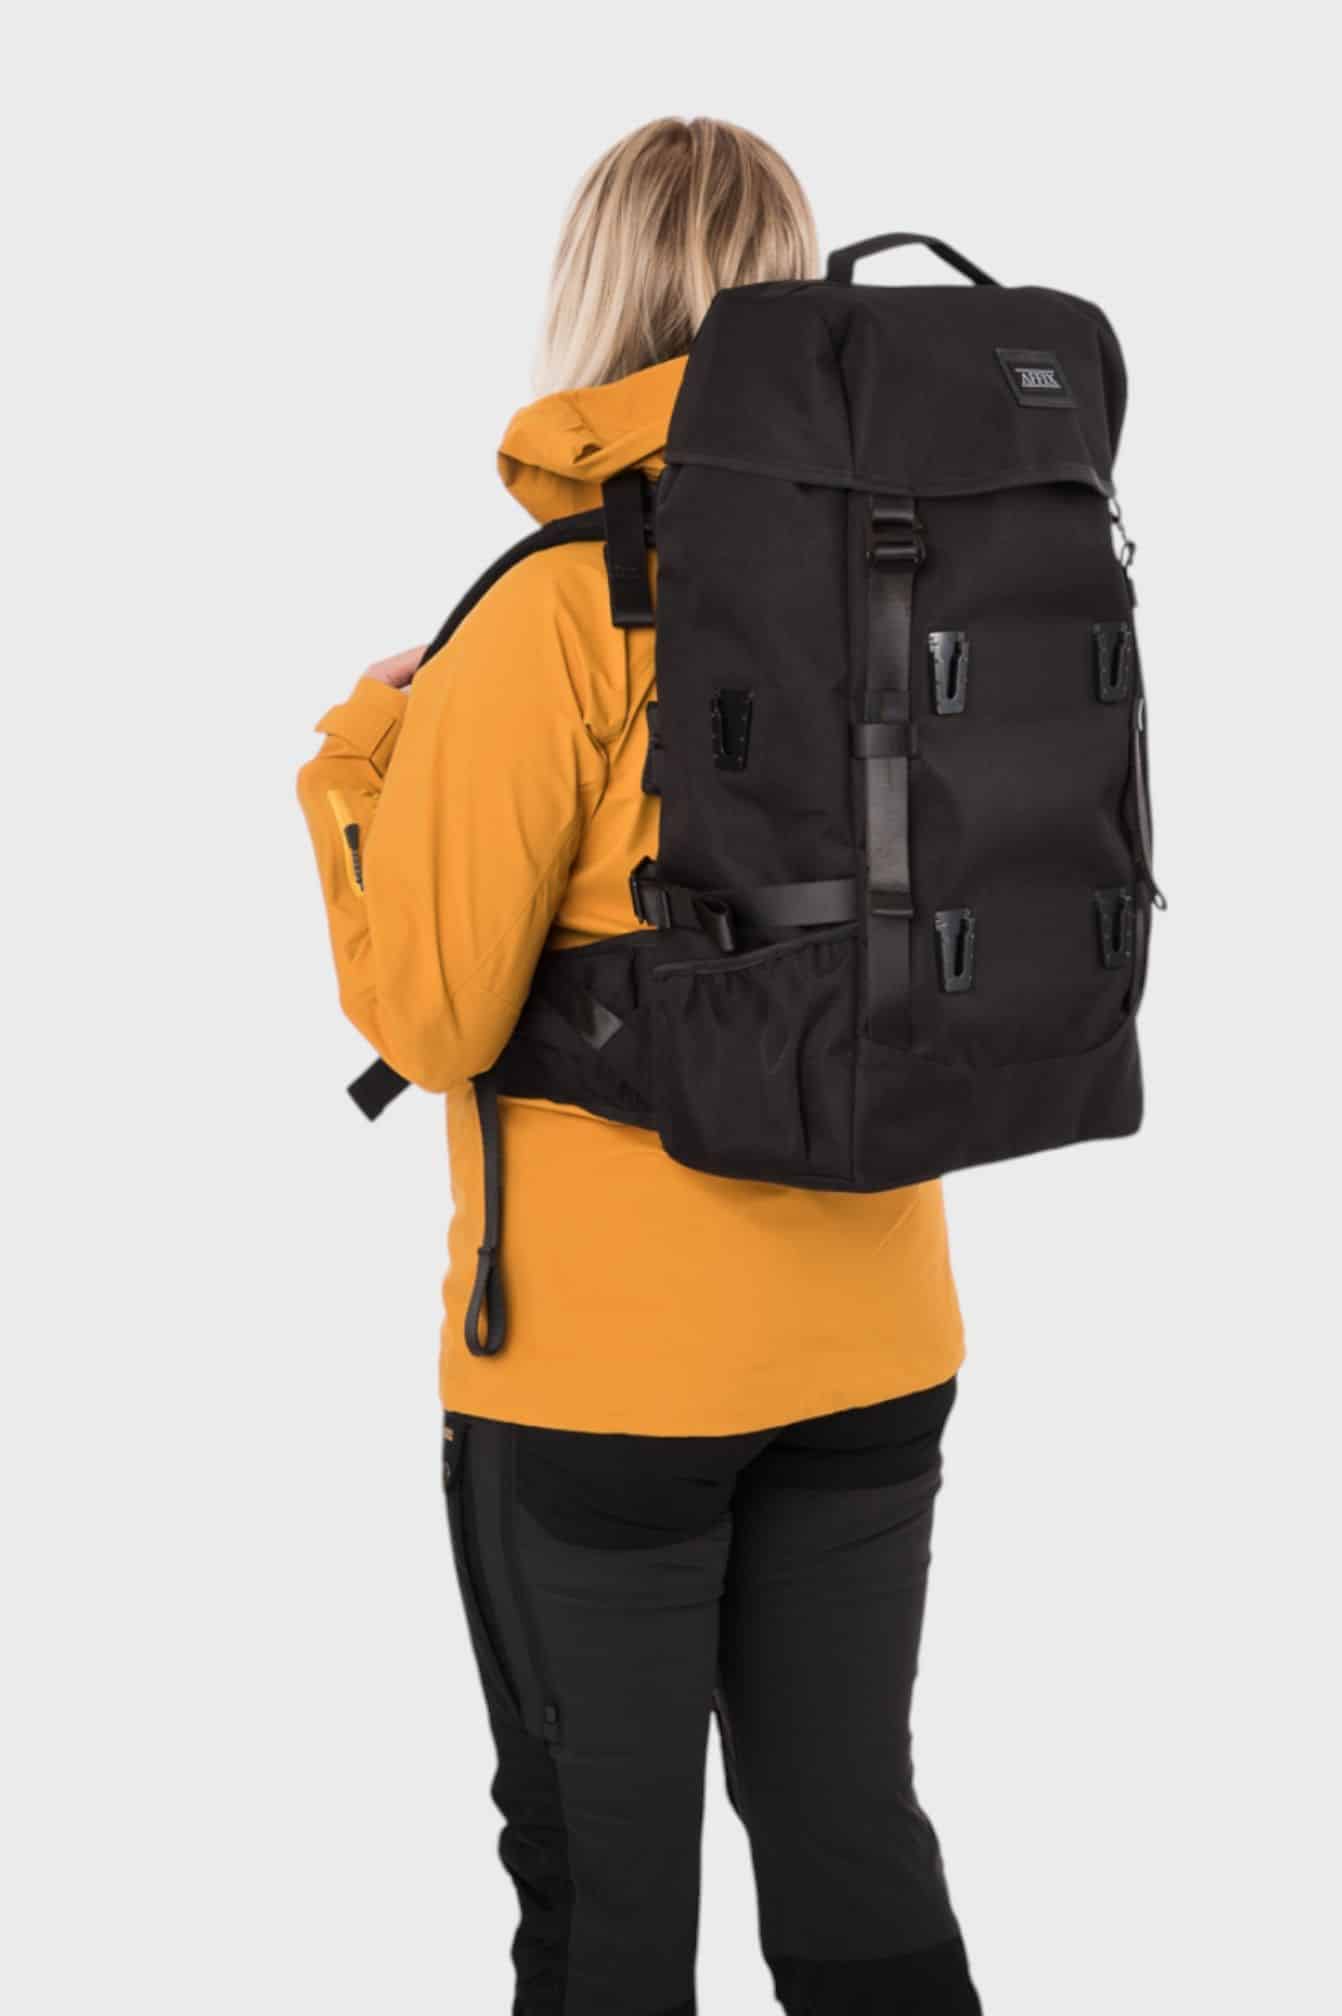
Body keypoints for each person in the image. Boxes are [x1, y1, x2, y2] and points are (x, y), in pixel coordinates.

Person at [298, 116, 981, 2015]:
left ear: (592, 292)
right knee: (853, 1853)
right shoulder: (913, 567)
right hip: (877, 1346)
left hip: (604, 1389)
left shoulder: (555, 609)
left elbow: (433, 1017)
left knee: (605, 1912)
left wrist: (353, 766)